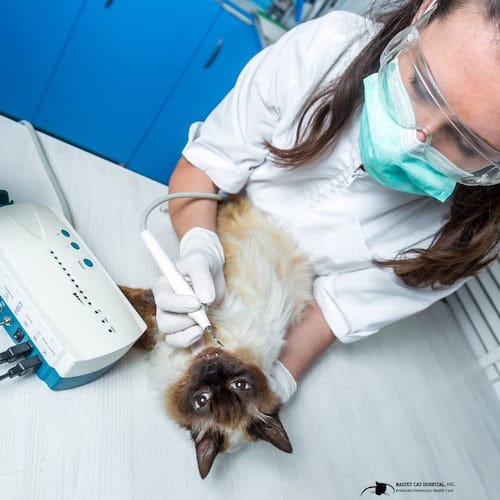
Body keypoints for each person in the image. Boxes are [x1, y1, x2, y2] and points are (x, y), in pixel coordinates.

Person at [152, 0, 500, 403]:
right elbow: (203, 169)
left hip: (283, 308)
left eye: (466, 144)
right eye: (421, 86)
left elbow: (334, 312)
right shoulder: (326, 51)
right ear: (424, 12)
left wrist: (276, 380)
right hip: (212, 224)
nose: (414, 140)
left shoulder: (467, 235)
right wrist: (199, 245)